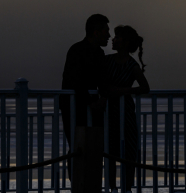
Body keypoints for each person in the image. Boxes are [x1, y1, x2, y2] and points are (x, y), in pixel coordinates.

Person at [60, 13, 110, 179]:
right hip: (74, 108)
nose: (109, 35)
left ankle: (89, 183)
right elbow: (74, 81)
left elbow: (103, 81)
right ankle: (77, 183)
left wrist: (103, 98)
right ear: (96, 32)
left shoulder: (99, 54)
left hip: (92, 108)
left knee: (93, 146)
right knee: (77, 146)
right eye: (106, 31)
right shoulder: (77, 51)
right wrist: (92, 102)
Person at [105, 25, 150, 193]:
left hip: (126, 112)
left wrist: (123, 91)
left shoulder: (132, 65)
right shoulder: (106, 60)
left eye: (116, 37)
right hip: (109, 111)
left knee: (129, 151)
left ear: (125, 42)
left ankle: (127, 188)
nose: (113, 39)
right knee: (109, 151)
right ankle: (112, 188)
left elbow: (145, 87)